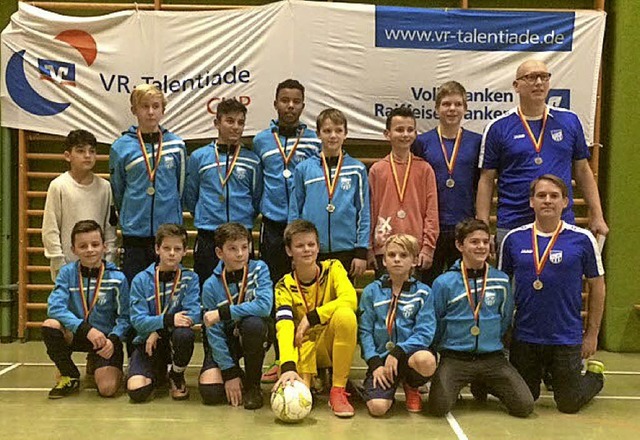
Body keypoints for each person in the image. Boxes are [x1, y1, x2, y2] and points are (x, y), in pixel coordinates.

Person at [476, 59, 608, 254]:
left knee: (560, 282)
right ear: (516, 86)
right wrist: (482, 228)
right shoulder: (498, 127)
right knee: (515, 284)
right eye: (530, 77)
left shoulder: (569, 121)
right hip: (514, 223)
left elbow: (582, 171)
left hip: (560, 222)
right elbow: (486, 181)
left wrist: (597, 214)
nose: (538, 82)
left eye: (544, 77)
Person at [500, 175, 606, 414]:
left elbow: (597, 286)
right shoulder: (513, 239)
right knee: (523, 401)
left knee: (568, 404)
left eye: (554, 196)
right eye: (541, 196)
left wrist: (592, 334)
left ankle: (595, 377)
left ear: (565, 202)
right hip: (526, 336)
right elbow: (501, 287)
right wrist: (502, 329)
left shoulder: (582, 239)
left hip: (565, 337)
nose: (547, 201)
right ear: (531, 202)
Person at [428, 219, 534, 417]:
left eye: (485, 242)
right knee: (438, 407)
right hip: (455, 358)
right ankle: (463, 381)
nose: (481, 247)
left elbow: (504, 320)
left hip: (492, 359)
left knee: (524, 406)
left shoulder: (501, 280)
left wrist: (489, 341)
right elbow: (437, 322)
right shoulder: (443, 283)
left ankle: (484, 383)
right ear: (460, 245)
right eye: (474, 242)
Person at [252, 79, 320, 383]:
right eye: (284, 100)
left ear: (303, 105)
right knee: (278, 298)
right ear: (276, 103)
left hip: (303, 232)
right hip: (273, 228)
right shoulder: (261, 141)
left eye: (296, 101)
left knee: (306, 299)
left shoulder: (315, 141)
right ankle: (281, 359)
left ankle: (311, 361)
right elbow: (256, 187)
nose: (290, 106)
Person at [272, 220, 358, 418]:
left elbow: (350, 299)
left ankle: (337, 390)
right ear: (289, 250)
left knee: (346, 316)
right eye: (300, 246)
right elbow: (284, 327)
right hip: (301, 346)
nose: (307, 250)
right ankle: (311, 377)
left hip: (328, 343)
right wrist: (287, 366)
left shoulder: (333, 268)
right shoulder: (283, 286)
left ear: (318, 247)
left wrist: (312, 317)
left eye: (311, 244)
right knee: (296, 393)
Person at [42, 220, 130, 399]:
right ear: (74, 249)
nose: (90, 249)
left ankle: (99, 361)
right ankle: (70, 374)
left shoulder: (118, 279)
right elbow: (55, 307)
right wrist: (86, 329)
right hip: (77, 333)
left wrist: (113, 340)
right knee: (50, 325)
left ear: (104, 247)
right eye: (83, 246)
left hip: (105, 340)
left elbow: (125, 317)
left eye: (95, 244)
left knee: (107, 389)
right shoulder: (67, 274)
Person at [109, 84, 187, 284]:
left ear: (163, 109)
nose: (151, 112)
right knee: (135, 286)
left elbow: (180, 188)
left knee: (168, 288)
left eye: (156, 106)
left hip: (168, 233)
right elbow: (118, 189)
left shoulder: (176, 146)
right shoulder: (121, 147)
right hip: (135, 231)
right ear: (134, 110)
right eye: (144, 106)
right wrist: (130, 213)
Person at [184, 98, 262, 286]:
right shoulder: (199, 157)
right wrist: (208, 217)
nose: (236, 127)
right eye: (229, 121)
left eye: (240, 122)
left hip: (241, 235)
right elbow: (191, 195)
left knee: (242, 289)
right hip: (209, 235)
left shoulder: (253, 161)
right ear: (217, 123)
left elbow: (257, 197)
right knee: (207, 286)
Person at [358, 233, 437, 416]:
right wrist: (375, 363)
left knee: (426, 361)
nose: (397, 260)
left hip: (408, 357)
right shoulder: (371, 292)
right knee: (377, 409)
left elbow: (425, 332)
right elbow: (365, 332)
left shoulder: (423, 293)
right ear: (384, 261)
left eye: (403, 255)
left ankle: (412, 385)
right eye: (391, 255)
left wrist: (399, 351)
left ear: (415, 260)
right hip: (382, 360)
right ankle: (380, 390)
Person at [412, 82, 482, 285]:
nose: (452, 109)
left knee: (462, 286)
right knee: (427, 284)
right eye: (446, 104)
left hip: (464, 225)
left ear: (465, 109)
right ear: (436, 109)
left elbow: (481, 184)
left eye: (458, 104)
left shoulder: (476, 142)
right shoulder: (422, 142)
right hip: (432, 228)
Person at [198, 223, 273, 409]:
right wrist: (229, 372)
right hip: (226, 339)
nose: (240, 254)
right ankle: (239, 375)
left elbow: (264, 306)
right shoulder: (210, 285)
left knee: (253, 324)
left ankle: (254, 385)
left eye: (244, 247)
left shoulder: (259, 269)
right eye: (232, 249)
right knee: (211, 393)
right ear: (219, 252)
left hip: (253, 333)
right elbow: (214, 332)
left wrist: (223, 312)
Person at [289, 108, 370, 278]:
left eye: (338, 130)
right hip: (312, 250)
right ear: (318, 134)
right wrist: (295, 245)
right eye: (327, 131)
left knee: (344, 301)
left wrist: (361, 250)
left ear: (346, 133)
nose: (333, 136)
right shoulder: (304, 169)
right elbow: (295, 211)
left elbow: (364, 212)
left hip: (346, 250)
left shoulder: (357, 169)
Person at [127, 224, 201, 402]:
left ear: (185, 251)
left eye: (177, 249)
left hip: (174, 342)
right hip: (147, 344)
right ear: (157, 249)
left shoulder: (190, 279)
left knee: (185, 334)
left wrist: (158, 329)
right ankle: (157, 373)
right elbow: (137, 321)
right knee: (137, 392)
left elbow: (194, 314)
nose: (172, 253)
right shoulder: (141, 280)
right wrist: (169, 320)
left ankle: (176, 374)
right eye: (166, 248)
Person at [369, 106, 439, 281]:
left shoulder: (424, 169)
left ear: (415, 134)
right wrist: (369, 248)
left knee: (412, 303)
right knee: (385, 301)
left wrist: (428, 248)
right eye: (399, 130)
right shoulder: (377, 170)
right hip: (385, 250)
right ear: (387, 134)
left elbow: (431, 212)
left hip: (414, 251)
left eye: (410, 130)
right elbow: (369, 212)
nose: (405, 134)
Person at [42, 129, 116, 282]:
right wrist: (60, 264)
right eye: (81, 151)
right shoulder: (58, 186)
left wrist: (109, 260)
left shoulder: (105, 187)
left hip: (99, 266)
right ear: (68, 156)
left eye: (92, 151)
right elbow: (51, 228)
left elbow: (109, 227)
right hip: (68, 266)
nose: (87, 155)